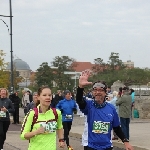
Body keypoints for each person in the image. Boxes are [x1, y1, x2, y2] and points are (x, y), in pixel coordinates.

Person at [76, 70, 133, 150]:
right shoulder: (89, 105)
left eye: (100, 90)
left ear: (106, 92)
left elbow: (116, 127)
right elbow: (79, 101)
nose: (97, 92)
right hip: (91, 146)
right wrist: (80, 87)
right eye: (95, 90)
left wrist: (125, 141)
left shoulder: (111, 108)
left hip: (107, 146)